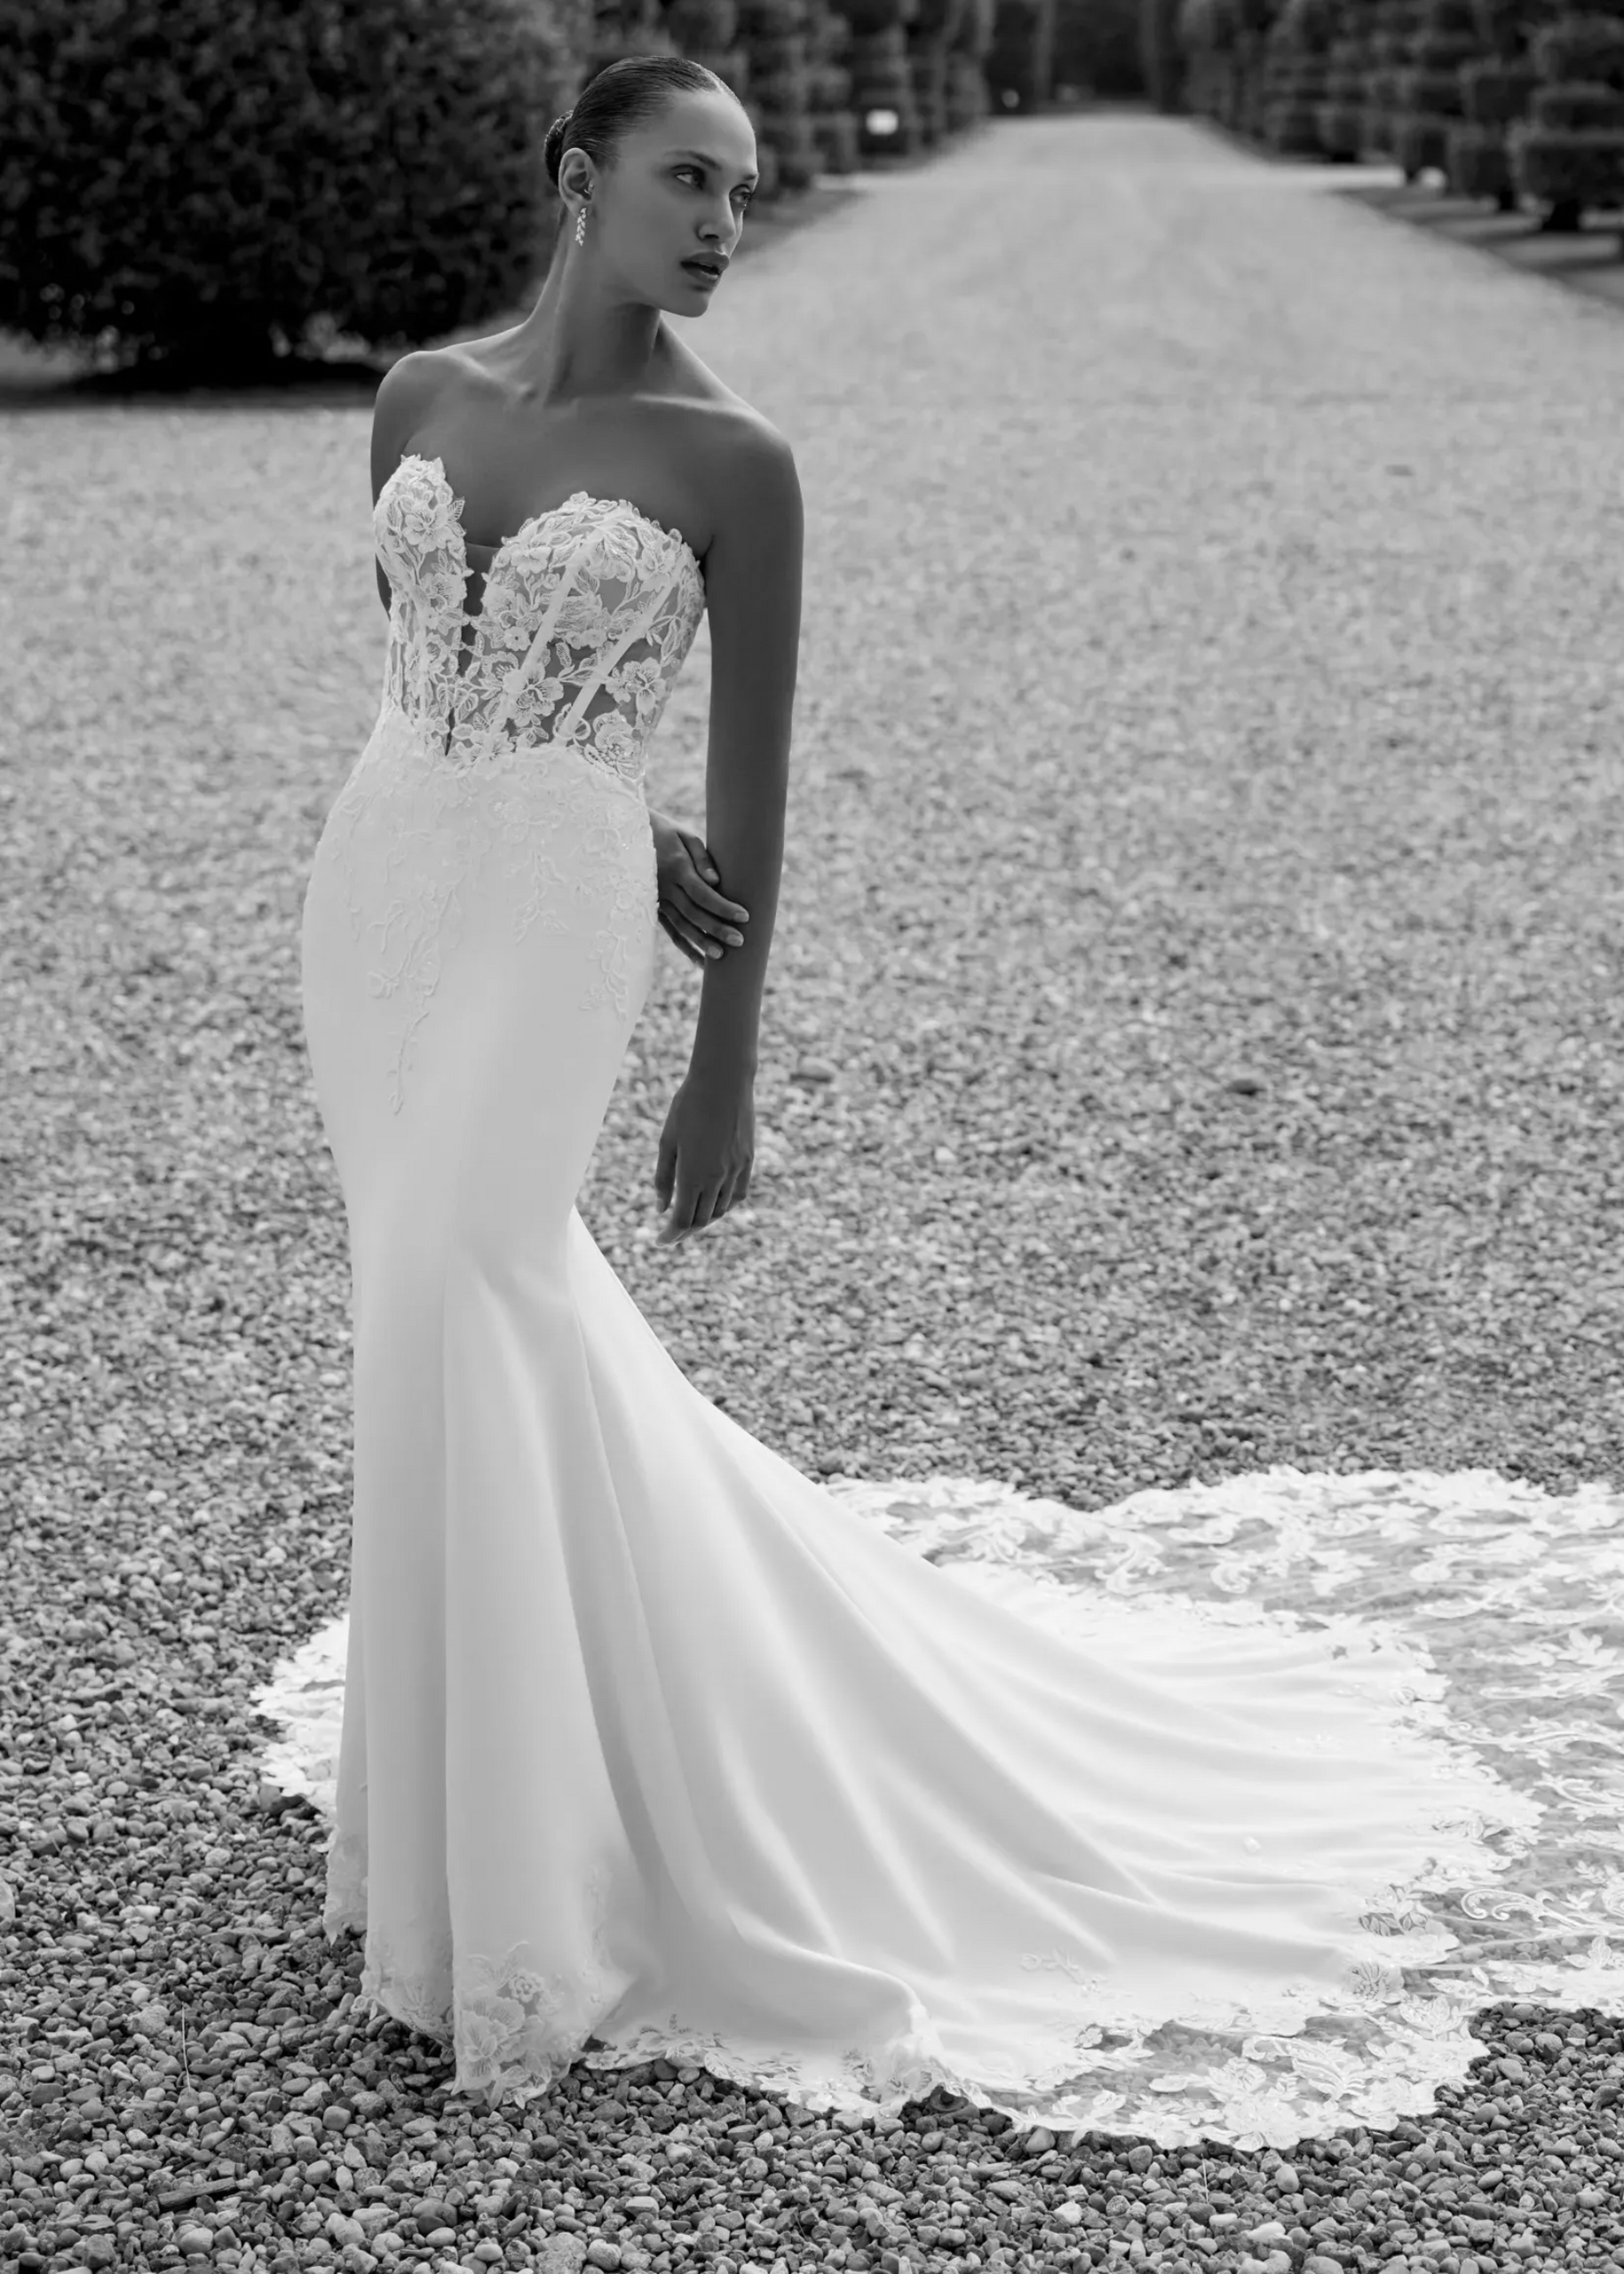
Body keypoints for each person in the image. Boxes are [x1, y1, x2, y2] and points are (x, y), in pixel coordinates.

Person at [298, 55, 1533, 2139]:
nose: (721, 224)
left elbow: (754, 792)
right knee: (418, 1313)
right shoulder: (417, 398)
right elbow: (430, 674)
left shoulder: (735, 458)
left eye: (747, 194)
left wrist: (725, 1055)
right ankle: (450, 1806)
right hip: (379, 891)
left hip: (547, 929)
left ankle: (521, 1889)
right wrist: (584, 789)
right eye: (688, 181)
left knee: (483, 1276)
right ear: (575, 175)